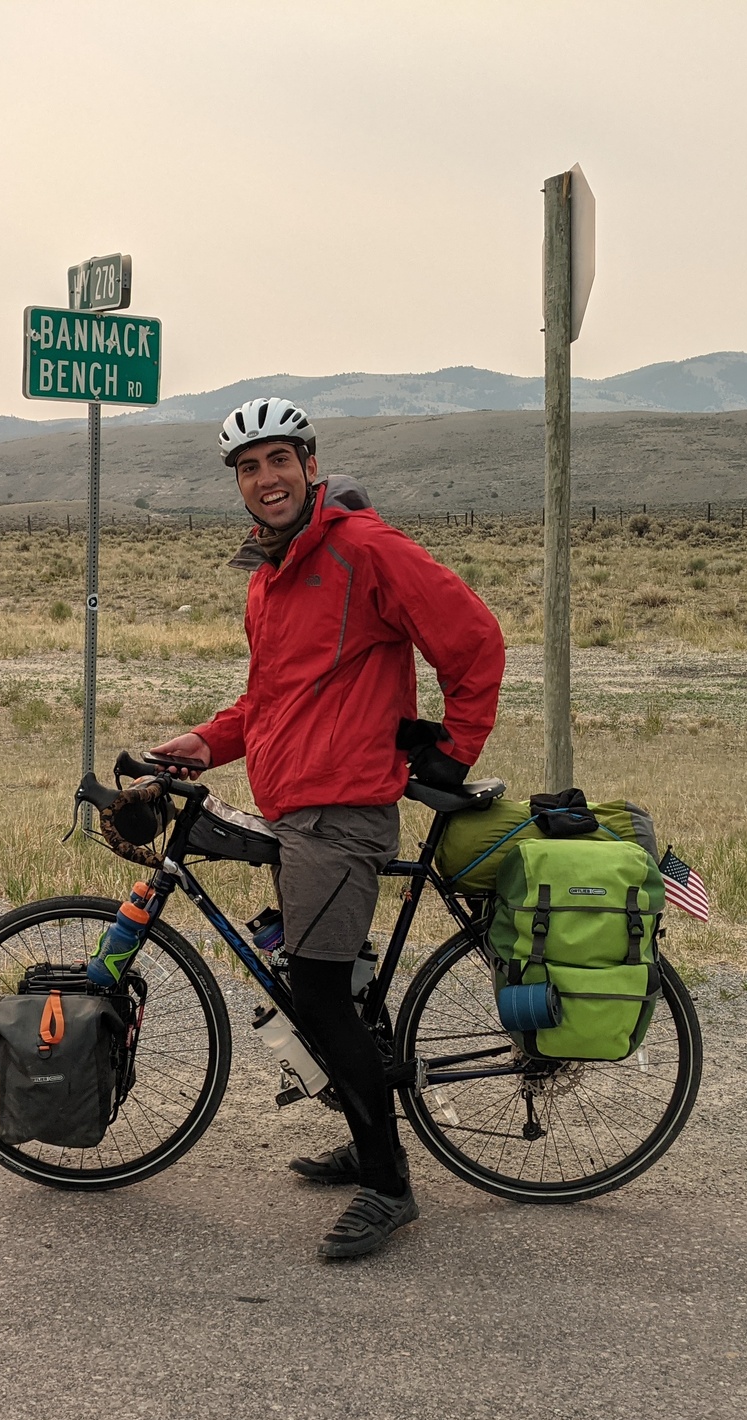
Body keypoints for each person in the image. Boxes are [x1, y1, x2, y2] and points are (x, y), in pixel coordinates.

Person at [152, 397, 505, 1260]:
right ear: (237, 485)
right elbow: (271, 701)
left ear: (311, 465)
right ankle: (365, 1131)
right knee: (335, 989)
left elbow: (475, 641)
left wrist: (453, 753)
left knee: (314, 992)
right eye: (248, 467)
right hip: (295, 806)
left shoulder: (364, 549)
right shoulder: (269, 579)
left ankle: (389, 1188)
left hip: (342, 814)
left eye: (279, 460)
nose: (265, 479)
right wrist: (204, 742)